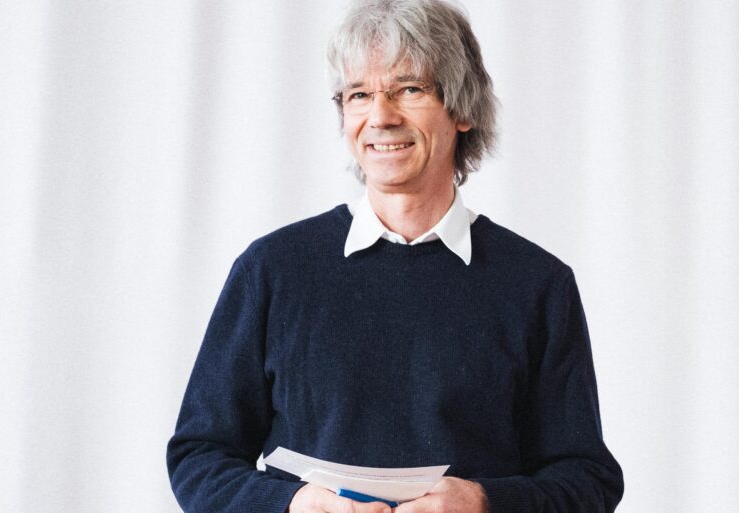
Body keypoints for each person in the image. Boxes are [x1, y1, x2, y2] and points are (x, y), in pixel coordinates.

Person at [166, 0, 624, 512]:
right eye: (359, 95)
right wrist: (292, 505)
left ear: (463, 109)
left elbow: (588, 481)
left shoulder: (537, 284)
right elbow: (199, 457)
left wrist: (484, 502)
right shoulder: (271, 271)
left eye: (409, 89)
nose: (380, 117)